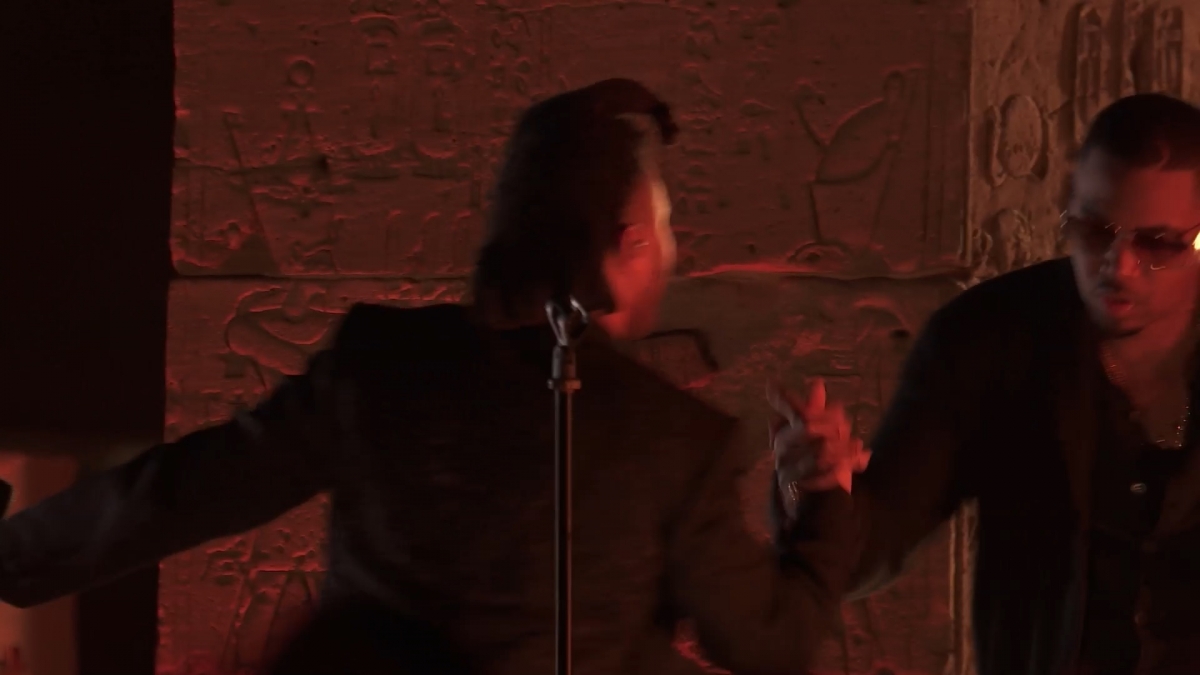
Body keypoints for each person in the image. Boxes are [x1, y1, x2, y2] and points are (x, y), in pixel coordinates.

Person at [0, 79, 864, 675]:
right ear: (626, 242)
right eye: (665, 225)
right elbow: (769, 641)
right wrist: (821, 498)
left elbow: (182, 492)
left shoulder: (380, 366)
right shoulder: (674, 442)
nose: (672, 253)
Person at [770, 92, 1200, 675]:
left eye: (1156, 243)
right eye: (1096, 230)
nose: (1119, 266)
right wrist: (817, 490)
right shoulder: (989, 338)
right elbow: (872, 541)